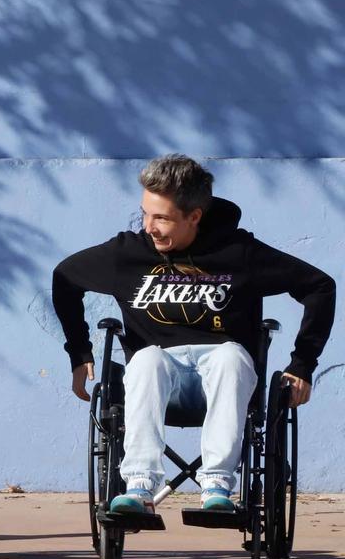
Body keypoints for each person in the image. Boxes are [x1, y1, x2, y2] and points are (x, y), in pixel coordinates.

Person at [52, 154, 332, 515]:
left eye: (162, 218)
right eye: (145, 214)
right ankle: (138, 488)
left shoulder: (238, 253)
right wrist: (79, 352)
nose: (149, 227)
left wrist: (302, 364)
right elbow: (65, 278)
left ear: (194, 216)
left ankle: (216, 487)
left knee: (230, 355)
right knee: (146, 359)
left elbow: (320, 287)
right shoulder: (127, 254)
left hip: (224, 376)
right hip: (156, 378)